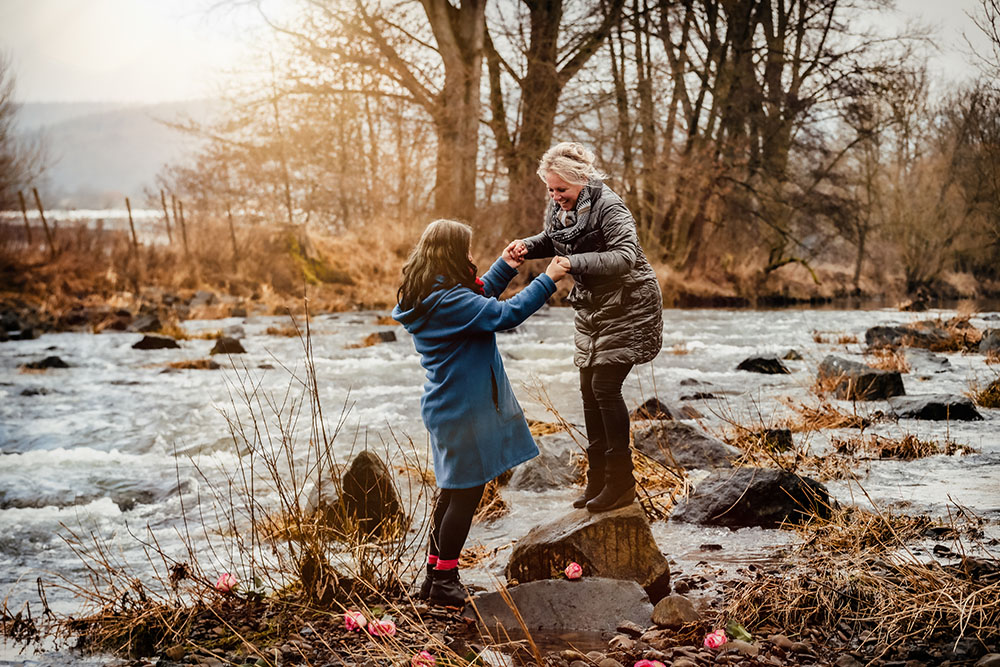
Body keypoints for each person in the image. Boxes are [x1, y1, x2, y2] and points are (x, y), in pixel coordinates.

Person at [392, 219, 568, 607]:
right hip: (465, 410)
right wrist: (548, 278)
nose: (472, 257)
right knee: (465, 495)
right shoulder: (451, 301)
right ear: (453, 255)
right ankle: (445, 580)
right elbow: (502, 315)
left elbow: (478, 301)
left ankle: (435, 574)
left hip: (448, 407)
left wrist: (504, 266)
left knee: (451, 491)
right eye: (468, 252)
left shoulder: (433, 294)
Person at [511, 142, 663, 513]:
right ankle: (598, 480)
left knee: (605, 387)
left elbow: (625, 256)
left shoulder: (610, 206)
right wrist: (526, 247)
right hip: (592, 307)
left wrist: (573, 263)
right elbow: (555, 239)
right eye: (550, 189)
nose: (555, 196)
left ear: (581, 180)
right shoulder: (560, 207)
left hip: (630, 304)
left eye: (561, 189)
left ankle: (622, 483)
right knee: (586, 388)